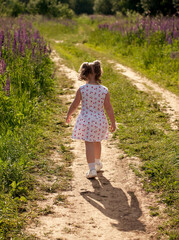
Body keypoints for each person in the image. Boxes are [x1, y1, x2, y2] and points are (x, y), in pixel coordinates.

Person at [66, 60, 116, 179]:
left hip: (86, 120)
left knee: (89, 143)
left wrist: (69, 114)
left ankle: (92, 169)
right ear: (99, 73)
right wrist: (113, 122)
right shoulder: (104, 90)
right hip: (100, 120)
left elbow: (74, 105)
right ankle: (98, 163)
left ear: (84, 73)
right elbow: (108, 108)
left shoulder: (82, 89)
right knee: (97, 141)